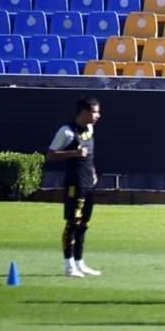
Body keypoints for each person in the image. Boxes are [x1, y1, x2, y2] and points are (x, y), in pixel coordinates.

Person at [47, 96, 103, 278]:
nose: (98, 116)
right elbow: (51, 154)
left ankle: (80, 263)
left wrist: (93, 171)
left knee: (84, 224)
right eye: (94, 112)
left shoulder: (90, 129)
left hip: (88, 183)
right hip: (74, 183)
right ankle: (69, 265)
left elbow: (89, 155)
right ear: (84, 112)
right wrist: (74, 153)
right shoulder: (67, 131)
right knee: (72, 223)